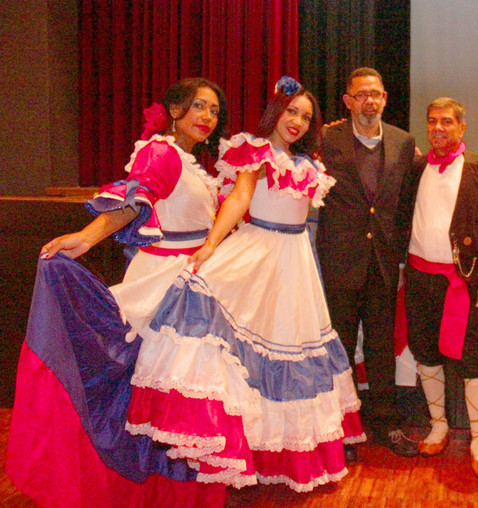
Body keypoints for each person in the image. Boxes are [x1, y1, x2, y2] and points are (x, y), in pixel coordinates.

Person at [127, 77, 365, 493]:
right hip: (259, 253)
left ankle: (281, 451)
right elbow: (238, 198)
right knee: (242, 352)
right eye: (291, 111)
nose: (297, 121)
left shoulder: (309, 165)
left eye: (305, 117)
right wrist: (211, 245)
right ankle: (236, 445)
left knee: (290, 349)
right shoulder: (255, 151)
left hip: (296, 262)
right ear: (275, 112)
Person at [7, 78, 229, 507]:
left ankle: (172, 489)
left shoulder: (189, 162)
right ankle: (146, 488)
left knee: (176, 390)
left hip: (193, 280)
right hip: (164, 283)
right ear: (175, 110)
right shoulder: (161, 153)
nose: (207, 117)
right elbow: (131, 202)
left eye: (215, 111)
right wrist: (87, 238)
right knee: (161, 388)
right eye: (199, 106)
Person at [316, 67, 419, 456]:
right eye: (361, 95)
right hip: (340, 260)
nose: (369, 101)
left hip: (382, 263)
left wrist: (401, 255)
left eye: (375, 94)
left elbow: (403, 204)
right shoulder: (326, 139)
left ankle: (387, 424)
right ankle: (342, 429)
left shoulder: (403, 142)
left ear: (385, 98)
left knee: (380, 348)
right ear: (348, 101)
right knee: (340, 347)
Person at [403, 97, 478, 481]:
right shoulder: (414, 167)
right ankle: (439, 426)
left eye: (447, 121)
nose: (438, 128)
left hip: (464, 280)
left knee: (474, 362)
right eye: (432, 121)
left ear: (462, 127)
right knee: (426, 355)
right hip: (419, 278)